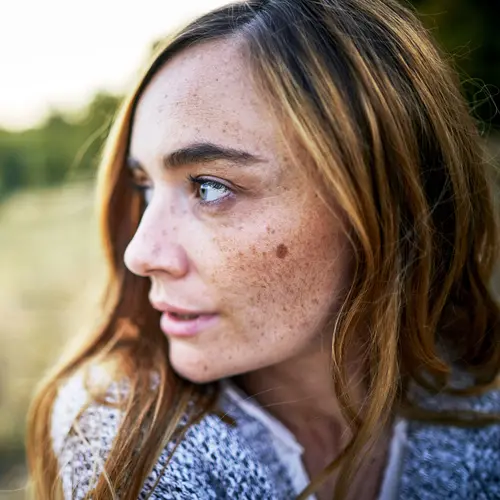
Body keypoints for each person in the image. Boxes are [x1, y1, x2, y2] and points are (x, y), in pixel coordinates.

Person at [27, 0, 500, 499]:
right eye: (145, 186)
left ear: (385, 203)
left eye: (209, 186)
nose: (141, 254)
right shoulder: (132, 445)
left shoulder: (478, 423)